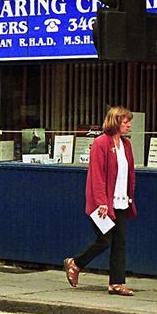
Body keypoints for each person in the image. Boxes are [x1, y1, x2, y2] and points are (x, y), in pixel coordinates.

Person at [64, 107, 137, 296]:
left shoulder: (126, 144)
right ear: (115, 122)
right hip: (103, 204)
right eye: (125, 121)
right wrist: (102, 202)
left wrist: (129, 196)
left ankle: (116, 283)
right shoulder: (100, 143)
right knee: (105, 240)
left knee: (120, 242)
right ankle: (75, 262)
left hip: (121, 201)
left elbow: (128, 173)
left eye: (129, 121)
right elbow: (97, 175)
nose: (129, 125)